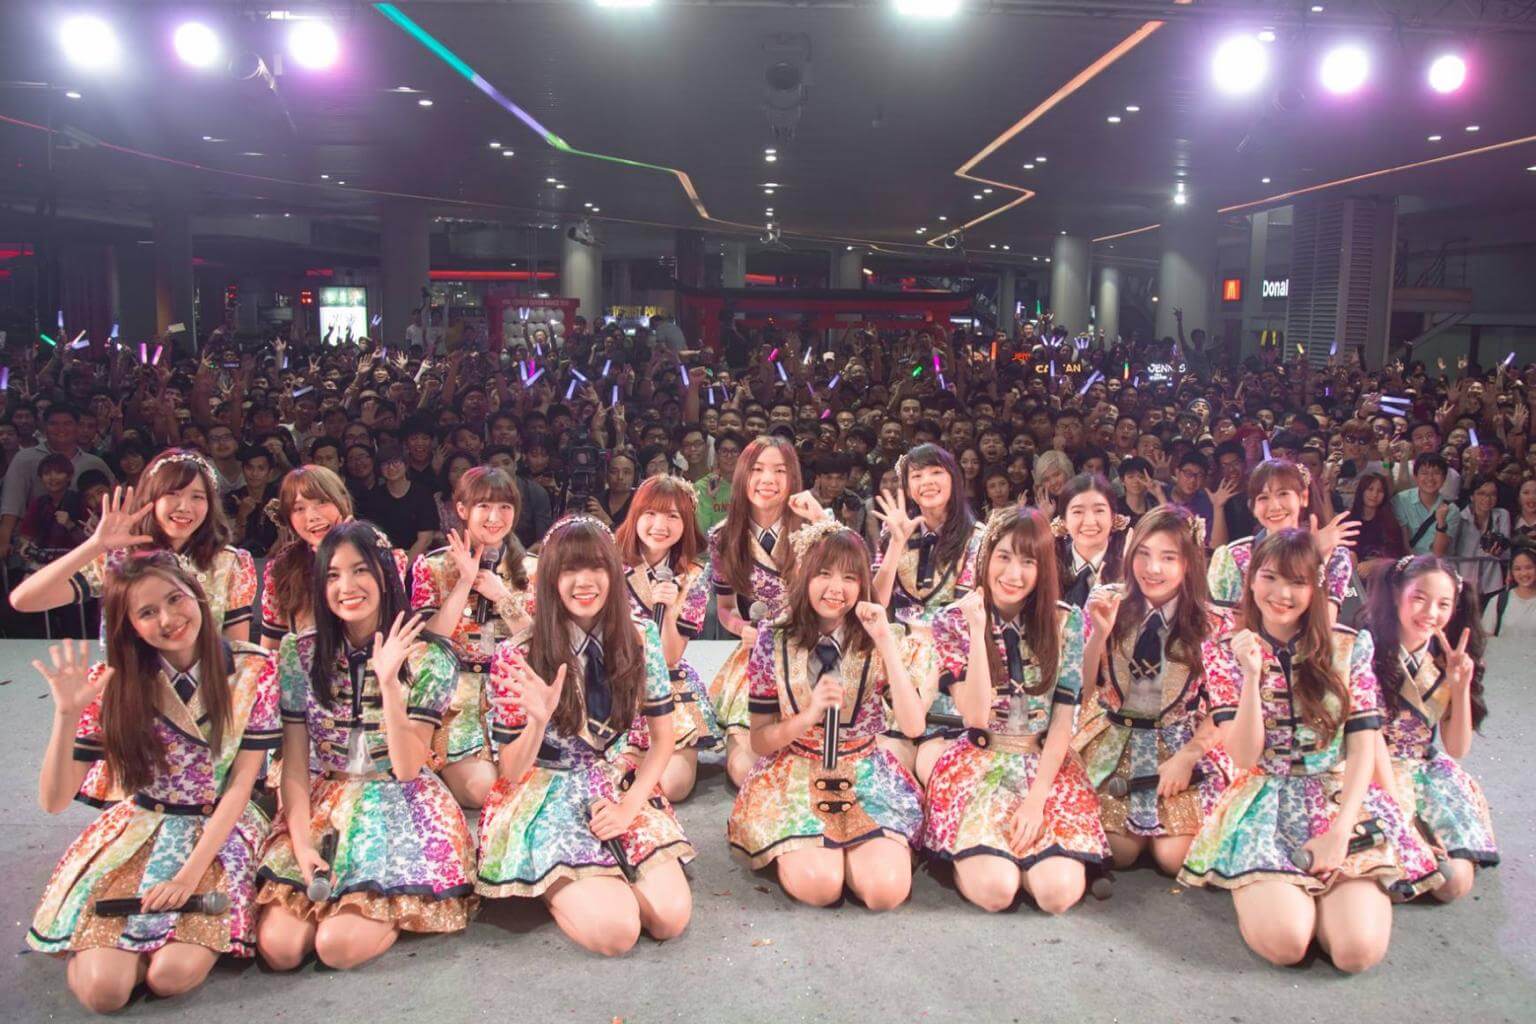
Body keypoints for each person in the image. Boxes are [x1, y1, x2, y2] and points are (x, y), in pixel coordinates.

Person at [1179, 530, 1443, 972]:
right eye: (1270, 577)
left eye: (1297, 582)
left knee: (1356, 952)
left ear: (1315, 587)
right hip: (1264, 802)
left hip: (1338, 800)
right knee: (1286, 944)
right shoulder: (1223, 652)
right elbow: (1244, 757)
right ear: (1251, 581)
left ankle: (1330, 897)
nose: (1281, 594)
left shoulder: (1350, 645)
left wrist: (1340, 833)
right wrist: (1251, 675)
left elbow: (1363, 745)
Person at [26, 554, 279, 1012]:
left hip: (219, 831)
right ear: (129, 626)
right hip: (140, 830)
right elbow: (54, 800)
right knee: (105, 992)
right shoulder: (112, 682)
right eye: (147, 612)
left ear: (197, 595)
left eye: (175, 599)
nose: (168, 619)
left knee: (171, 976)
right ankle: (108, 950)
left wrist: (187, 877)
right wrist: (65, 716)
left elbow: (242, 785)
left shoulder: (254, 669)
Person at [255, 522, 475, 971]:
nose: (346, 586)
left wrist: (389, 683)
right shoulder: (298, 653)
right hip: (324, 803)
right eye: (333, 575)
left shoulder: (429, 655)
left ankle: (387, 903)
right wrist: (302, 846)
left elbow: (408, 768)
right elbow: (294, 766)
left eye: (360, 571)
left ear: (385, 575)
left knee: (336, 948)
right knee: (280, 950)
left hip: (398, 804)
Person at [475, 516, 694, 955]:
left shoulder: (640, 637)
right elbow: (510, 771)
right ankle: (551, 879)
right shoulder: (518, 653)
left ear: (613, 571)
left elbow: (662, 740)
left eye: (596, 567)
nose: (585, 581)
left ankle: (598, 878)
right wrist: (538, 721)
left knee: (669, 918)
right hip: (545, 792)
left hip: (615, 785)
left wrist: (629, 808)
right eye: (569, 569)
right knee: (617, 933)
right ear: (550, 579)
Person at [727, 519, 926, 910]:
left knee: (884, 892)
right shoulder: (773, 638)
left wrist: (885, 641)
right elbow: (760, 740)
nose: (836, 588)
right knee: (821, 887)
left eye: (850, 578)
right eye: (824, 574)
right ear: (804, 574)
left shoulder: (879, 635)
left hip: (865, 773)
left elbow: (914, 725)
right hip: (796, 769)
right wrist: (807, 716)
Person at [921, 507, 1108, 914]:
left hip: (1046, 768)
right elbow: (974, 716)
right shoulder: (953, 620)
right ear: (986, 558)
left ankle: (1026, 855)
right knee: (997, 892)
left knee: (1056, 895)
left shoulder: (1066, 622)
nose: (1014, 574)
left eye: (1028, 562)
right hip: (980, 764)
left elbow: (1063, 720)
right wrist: (977, 629)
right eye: (1004, 557)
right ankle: (971, 857)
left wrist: (1036, 801)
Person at [1074, 506, 1232, 876]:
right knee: (1119, 852)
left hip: (1177, 746)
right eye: (1143, 554)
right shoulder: (1106, 600)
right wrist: (1098, 636)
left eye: (1168, 558)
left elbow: (1225, 708)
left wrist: (1189, 756)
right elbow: (1081, 689)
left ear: (1189, 563)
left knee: (1174, 859)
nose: (1152, 568)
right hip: (1114, 740)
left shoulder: (1212, 622)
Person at [12, 450, 256, 642]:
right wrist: (94, 546)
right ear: (151, 499)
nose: (184, 507)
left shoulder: (229, 563)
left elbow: (236, 651)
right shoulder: (119, 558)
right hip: (130, 685)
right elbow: (25, 599)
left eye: (197, 497)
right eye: (172, 494)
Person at [1364, 556, 1498, 902]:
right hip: (1368, 771)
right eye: (1419, 598)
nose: (1430, 613)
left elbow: (1457, 748)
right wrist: (1402, 820)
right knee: (1395, 879)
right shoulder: (1363, 650)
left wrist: (1460, 686)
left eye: (1443, 604)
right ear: (1397, 594)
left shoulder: (1447, 657)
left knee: (1453, 884)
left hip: (1423, 772)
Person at [412, 467, 535, 807]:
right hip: (456, 698)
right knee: (485, 792)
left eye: (505, 507)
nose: (495, 517)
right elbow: (429, 640)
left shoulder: (535, 568)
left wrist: (502, 597)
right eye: (484, 506)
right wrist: (464, 581)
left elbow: (542, 643)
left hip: (515, 693)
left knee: (522, 786)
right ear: (462, 509)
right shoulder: (432, 566)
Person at [868, 443, 982, 782]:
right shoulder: (893, 531)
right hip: (900, 653)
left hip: (953, 655)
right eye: (917, 476)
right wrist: (896, 543)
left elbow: (965, 611)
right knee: (889, 762)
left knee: (935, 766)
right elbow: (876, 601)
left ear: (954, 478)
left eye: (936, 472)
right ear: (907, 485)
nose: (927, 482)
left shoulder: (977, 537)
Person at [706, 436, 816, 786]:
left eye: (779, 471)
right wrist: (742, 629)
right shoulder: (723, 537)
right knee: (746, 769)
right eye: (758, 469)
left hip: (808, 650)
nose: (768, 479)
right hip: (757, 655)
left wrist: (821, 520)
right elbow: (725, 608)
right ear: (743, 475)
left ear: (792, 477)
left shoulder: (812, 528)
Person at [613, 476, 720, 801]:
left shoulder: (694, 575)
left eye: (672, 516)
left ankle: (645, 761)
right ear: (635, 516)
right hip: (615, 681)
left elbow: (671, 656)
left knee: (673, 787)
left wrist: (670, 611)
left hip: (668, 682)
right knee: (615, 778)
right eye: (651, 513)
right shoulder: (609, 563)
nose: (660, 525)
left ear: (685, 523)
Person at [1207, 459, 1356, 627]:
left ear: (1303, 497)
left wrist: (1316, 559)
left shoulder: (1333, 554)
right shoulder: (1233, 558)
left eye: (1283, 494)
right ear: (1253, 507)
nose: (1274, 506)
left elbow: (1324, 627)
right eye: (1263, 498)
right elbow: (1229, 629)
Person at [0, 404, 115, 560]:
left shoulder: (94, 463)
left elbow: (114, 499)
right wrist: (3, 542)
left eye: (67, 423)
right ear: (44, 427)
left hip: (86, 548)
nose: (61, 429)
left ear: (77, 427)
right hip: (36, 548)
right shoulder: (24, 459)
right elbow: (11, 505)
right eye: (54, 423)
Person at [1053, 474, 1129, 609]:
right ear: (1064, 520)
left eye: (1099, 510)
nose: (1089, 522)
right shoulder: (1050, 564)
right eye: (1078, 512)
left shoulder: (1128, 567)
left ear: (1113, 516)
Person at [362, 446, 437, 565]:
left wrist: (404, 567)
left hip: (417, 560)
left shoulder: (422, 494)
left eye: (396, 462)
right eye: (385, 464)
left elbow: (425, 538)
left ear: (406, 464)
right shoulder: (374, 497)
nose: (391, 467)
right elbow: (372, 536)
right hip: (385, 560)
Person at [1455, 476, 1511, 607]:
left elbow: (1506, 552)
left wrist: (1498, 551)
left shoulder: (1502, 515)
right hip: (1464, 581)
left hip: (1492, 581)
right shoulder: (1460, 518)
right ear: (1472, 496)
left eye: (1492, 494)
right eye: (1481, 493)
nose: (1487, 498)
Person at [1391, 453, 1460, 557]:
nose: (1430, 478)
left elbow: (1438, 553)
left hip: (1437, 564)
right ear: (1415, 477)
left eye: (1436, 473)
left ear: (1444, 478)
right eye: (1424, 473)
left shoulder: (1452, 510)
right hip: (1408, 562)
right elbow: (1404, 546)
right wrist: (1415, 564)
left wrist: (1441, 523)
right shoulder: (1400, 500)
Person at [1348, 471, 1408, 582]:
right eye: (1370, 489)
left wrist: (1377, 564)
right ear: (1361, 491)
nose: (1374, 495)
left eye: (1380, 491)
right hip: (1353, 579)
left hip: (1383, 580)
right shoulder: (1348, 521)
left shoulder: (1391, 523)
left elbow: (1398, 556)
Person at [1485, 545, 1536, 637]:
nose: (1524, 573)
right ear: (1511, 572)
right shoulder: (1498, 601)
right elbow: (1486, 637)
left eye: (1529, 567)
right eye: (1517, 569)